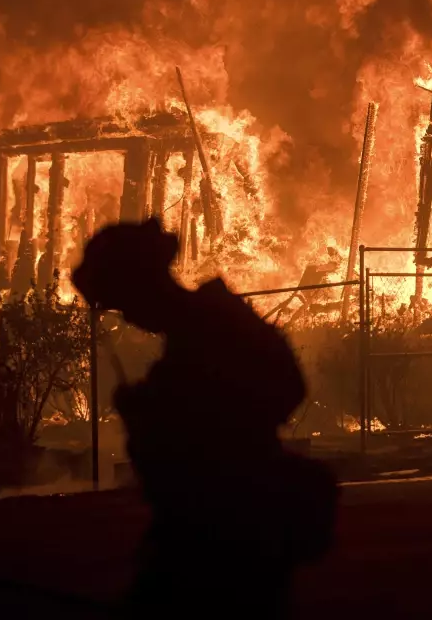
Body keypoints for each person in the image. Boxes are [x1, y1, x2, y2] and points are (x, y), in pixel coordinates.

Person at [70, 217, 337, 618]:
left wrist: (176, 411)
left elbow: (285, 388)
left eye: (124, 301)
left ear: (143, 285)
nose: (126, 316)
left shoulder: (214, 326)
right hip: (204, 530)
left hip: (232, 532)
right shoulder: (196, 333)